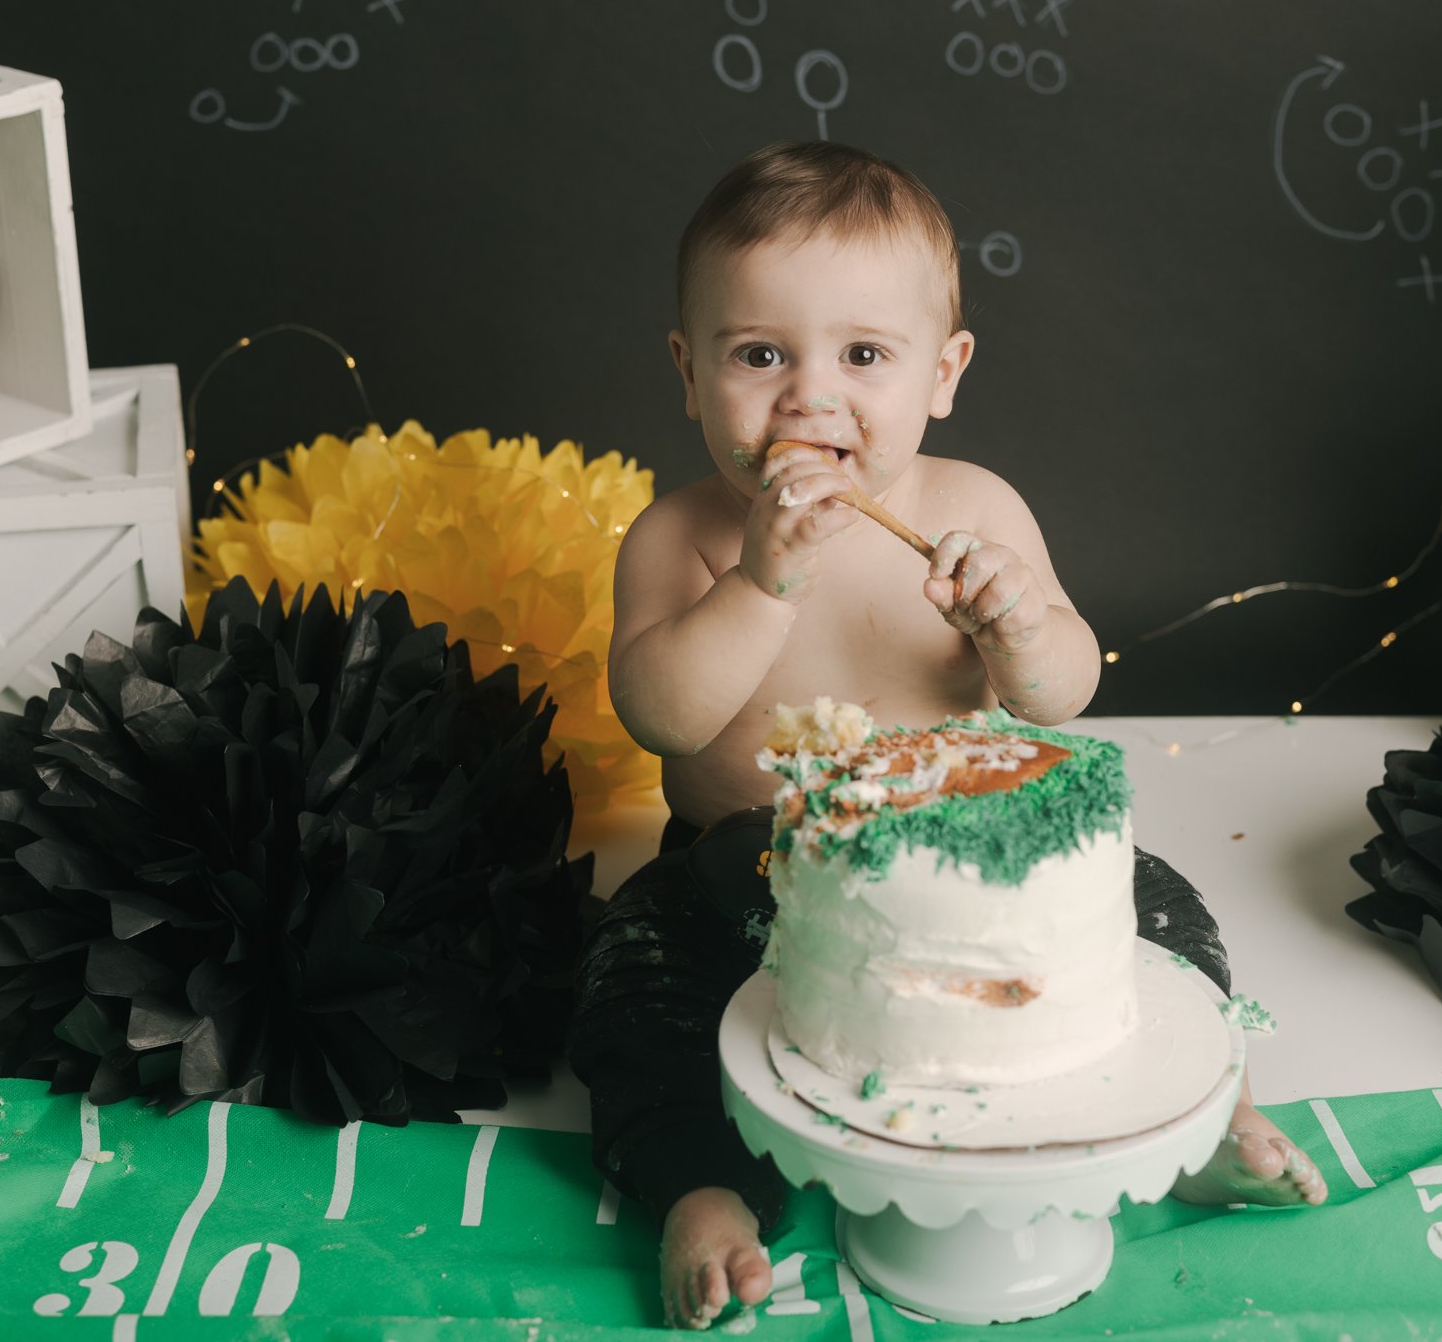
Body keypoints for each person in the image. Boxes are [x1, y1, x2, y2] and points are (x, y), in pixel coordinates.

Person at [567, 140, 1325, 1332]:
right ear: (687, 371)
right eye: (759, 355)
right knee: (633, 984)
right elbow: (661, 716)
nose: (811, 399)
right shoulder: (683, 537)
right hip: (745, 874)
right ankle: (701, 1192)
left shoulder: (974, 510)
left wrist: (1019, 628)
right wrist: (760, 585)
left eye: (863, 355)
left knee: (1155, 908)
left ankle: (1196, 1116)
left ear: (943, 372)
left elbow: (1060, 694)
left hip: (977, 871)